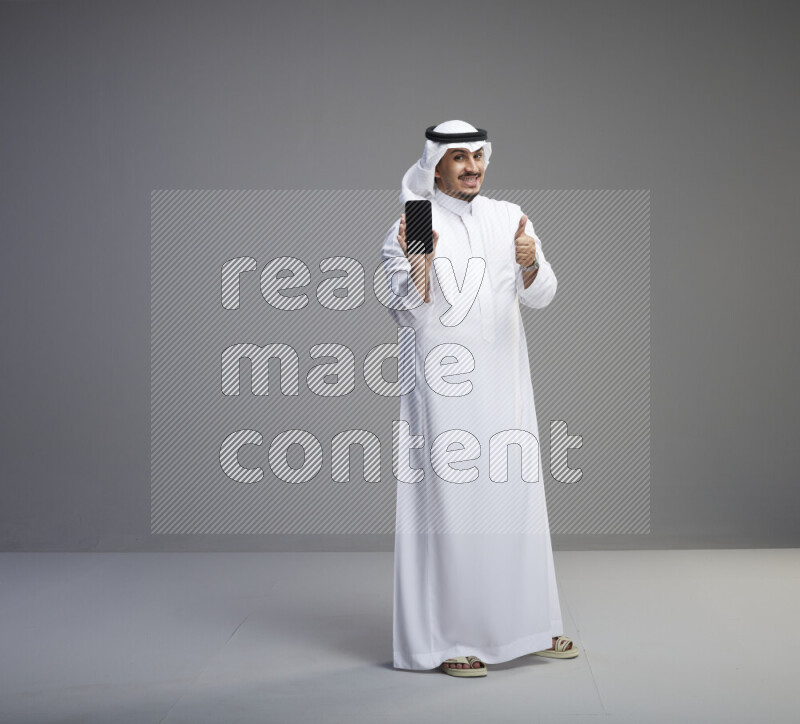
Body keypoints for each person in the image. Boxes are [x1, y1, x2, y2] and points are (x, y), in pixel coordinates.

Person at [380, 120, 578, 677]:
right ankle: (450, 640)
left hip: (506, 384)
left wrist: (530, 259)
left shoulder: (507, 215)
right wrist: (419, 257)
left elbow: (542, 295)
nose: (472, 166)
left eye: (478, 156)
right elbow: (404, 311)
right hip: (443, 392)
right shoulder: (413, 220)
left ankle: (529, 627)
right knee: (453, 510)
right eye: (459, 157)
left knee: (515, 503)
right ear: (436, 164)